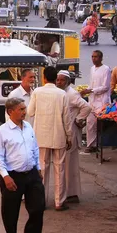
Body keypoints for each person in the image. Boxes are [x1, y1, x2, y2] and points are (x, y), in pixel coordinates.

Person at [0, 97, 45, 233]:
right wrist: (5, 177)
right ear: (10, 112)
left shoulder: (28, 127)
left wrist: (38, 168)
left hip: (31, 174)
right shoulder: (1, 132)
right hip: (12, 176)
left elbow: (35, 149)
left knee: (38, 207)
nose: (24, 112)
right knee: (11, 212)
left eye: (24, 108)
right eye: (21, 109)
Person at [28, 66, 73, 211]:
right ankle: (59, 202)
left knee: (42, 168)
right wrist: (69, 135)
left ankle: (41, 201)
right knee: (59, 169)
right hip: (59, 135)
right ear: (55, 79)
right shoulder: (62, 94)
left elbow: (30, 112)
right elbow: (67, 118)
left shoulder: (37, 92)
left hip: (41, 136)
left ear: (44, 77)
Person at [56, 70, 91, 204]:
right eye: (58, 80)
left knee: (70, 165)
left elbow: (87, 107)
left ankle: (72, 194)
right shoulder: (62, 93)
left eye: (62, 80)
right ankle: (68, 193)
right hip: (65, 132)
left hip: (71, 132)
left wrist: (78, 119)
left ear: (68, 82)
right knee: (66, 165)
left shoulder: (71, 94)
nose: (59, 82)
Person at [80, 50, 111, 154]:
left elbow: (105, 87)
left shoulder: (106, 69)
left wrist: (91, 90)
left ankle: (97, 144)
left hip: (101, 100)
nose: (94, 59)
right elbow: (91, 84)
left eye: (96, 57)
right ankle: (91, 145)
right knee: (90, 123)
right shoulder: (92, 69)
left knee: (99, 124)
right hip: (92, 100)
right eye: (92, 57)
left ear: (101, 58)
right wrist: (86, 91)